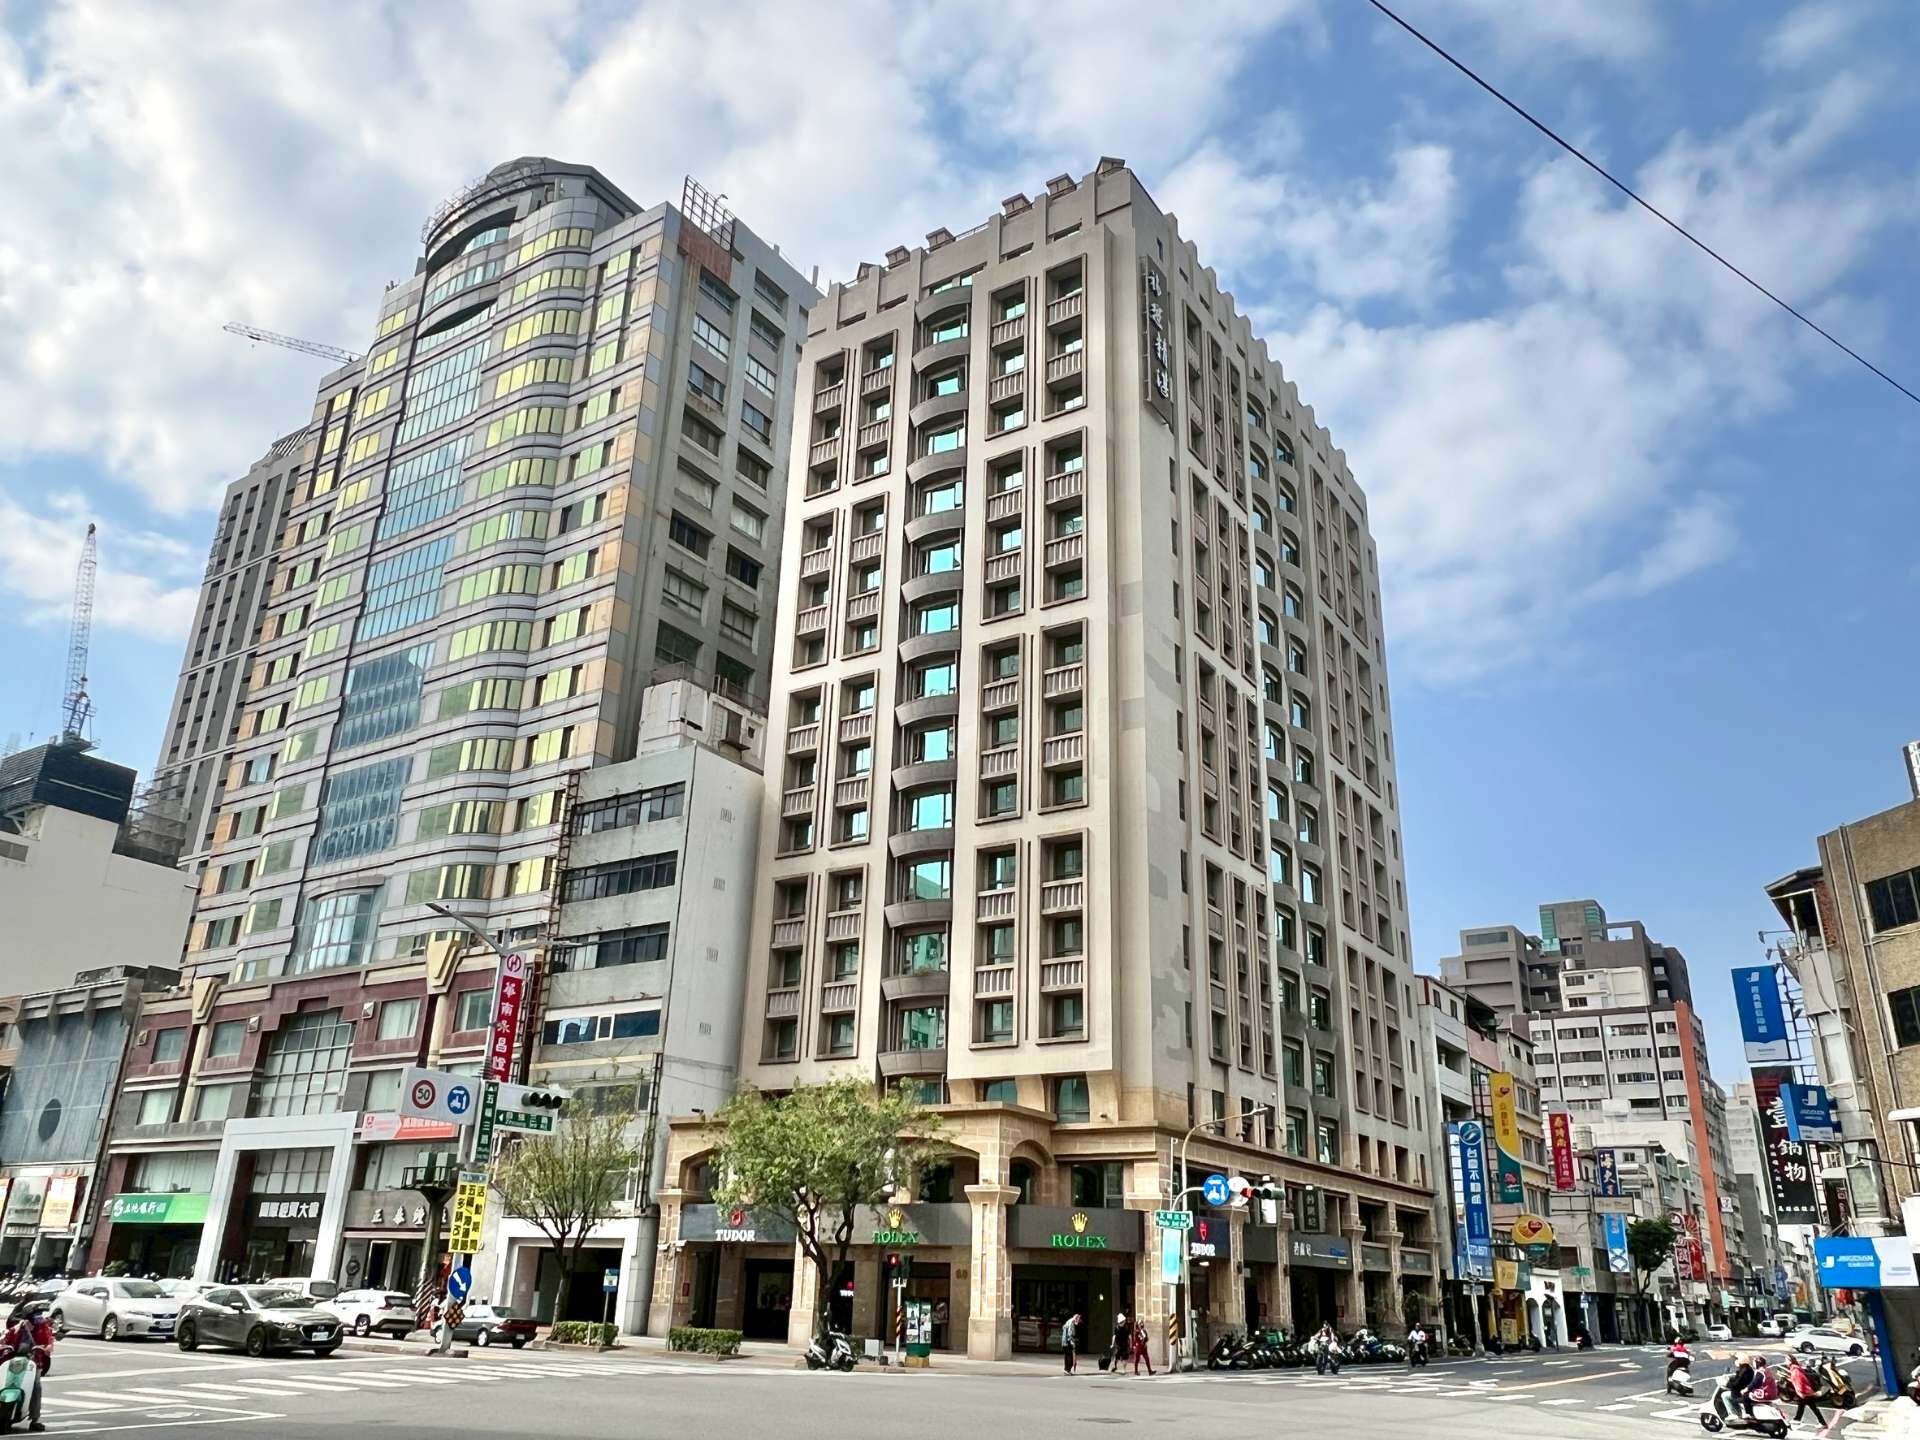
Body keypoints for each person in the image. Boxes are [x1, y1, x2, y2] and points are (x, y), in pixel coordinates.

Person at [1, 1300, 54, 1433]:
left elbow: (48, 1343)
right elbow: (6, 1337)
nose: (39, 1317)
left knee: (36, 1386)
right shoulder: (19, 1326)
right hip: (13, 1360)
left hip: (33, 1362)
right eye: (36, 1314)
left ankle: (35, 1419)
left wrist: (46, 1348)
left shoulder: (43, 1327)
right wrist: (3, 1344)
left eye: (40, 1314)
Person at [1785, 1356, 1826, 1426]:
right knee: (1804, 1406)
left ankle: (1822, 1423)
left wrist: (1802, 1392)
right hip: (1805, 1392)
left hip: (1804, 1393)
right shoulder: (1795, 1368)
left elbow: (1800, 1382)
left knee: (1810, 1407)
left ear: (1790, 1361)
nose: (1785, 1362)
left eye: (1786, 1360)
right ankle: (1797, 1419)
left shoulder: (1795, 1370)